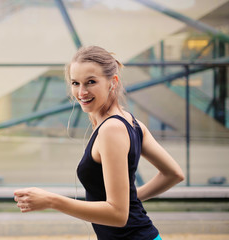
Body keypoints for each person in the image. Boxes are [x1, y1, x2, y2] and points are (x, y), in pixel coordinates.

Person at [14, 46, 184, 240]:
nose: (82, 92)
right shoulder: (130, 122)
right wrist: (131, 199)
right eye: (75, 83)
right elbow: (174, 173)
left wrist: (51, 200)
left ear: (113, 82)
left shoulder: (112, 129)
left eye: (91, 82)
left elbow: (118, 215)